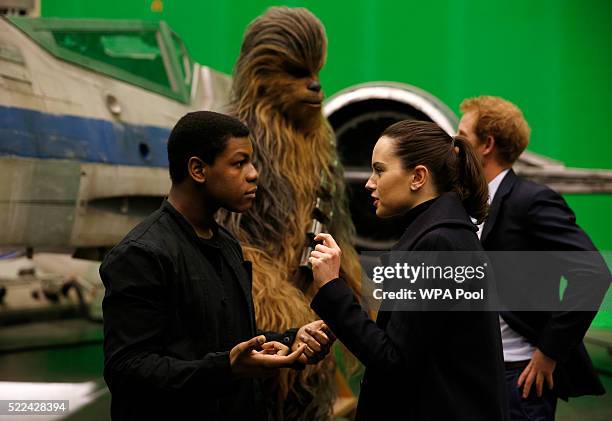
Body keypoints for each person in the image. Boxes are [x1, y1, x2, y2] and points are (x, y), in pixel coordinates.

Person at [101, 111, 334, 421]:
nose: (254, 174)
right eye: (239, 164)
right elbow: (127, 371)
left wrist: (291, 340)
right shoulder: (141, 254)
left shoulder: (226, 243)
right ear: (198, 169)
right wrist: (226, 368)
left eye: (251, 163)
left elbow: (226, 339)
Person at [307, 120, 508, 420]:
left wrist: (332, 288)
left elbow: (393, 359)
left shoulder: (436, 243)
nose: (369, 182)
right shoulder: (444, 234)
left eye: (380, 169)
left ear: (418, 177)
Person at [458, 95, 611, 420]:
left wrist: (548, 352)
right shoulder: (467, 204)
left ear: (486, 145)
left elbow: (592, 272)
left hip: (519, 380)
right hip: (475, 374)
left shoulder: (533, 201)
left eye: (461, 137)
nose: (454, 147)